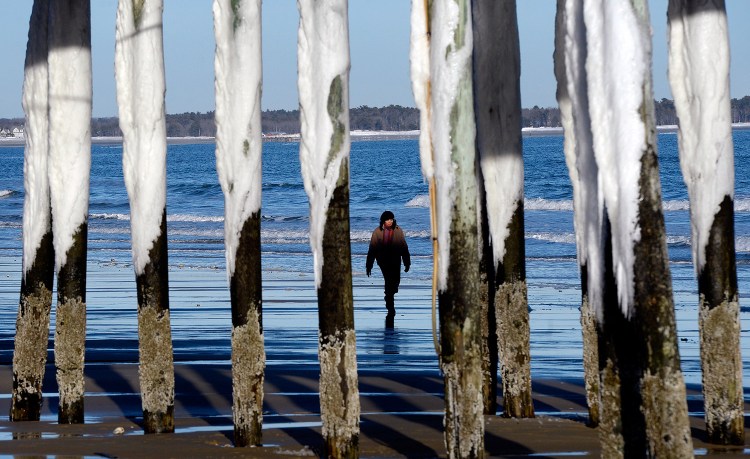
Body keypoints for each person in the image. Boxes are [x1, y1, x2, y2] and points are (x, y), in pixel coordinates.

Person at [366, 210, 410, 317]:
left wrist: (407, 262)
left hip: (395, 259)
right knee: (389, 280)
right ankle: (390, 305)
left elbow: (404, 247)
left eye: (391, 219)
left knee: (396, 283)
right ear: (383, 221)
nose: (390, 221)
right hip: (383, 261)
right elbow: (372, 249)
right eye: (387, 220)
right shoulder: (377, 232)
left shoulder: (398, 230)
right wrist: (369, 265)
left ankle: (389, 295)